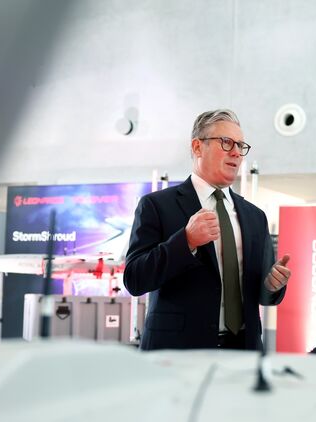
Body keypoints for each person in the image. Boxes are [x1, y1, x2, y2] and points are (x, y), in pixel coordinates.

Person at [123, 109, 291, 351]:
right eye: (226, 142)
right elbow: (135, 279)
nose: (236, 152)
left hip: (243, 352)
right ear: (197, 147)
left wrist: (272, 286)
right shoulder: (157, 205)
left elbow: (261, 294)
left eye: (240, 145)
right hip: (177, 352)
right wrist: (186, 241)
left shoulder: (255, 216)